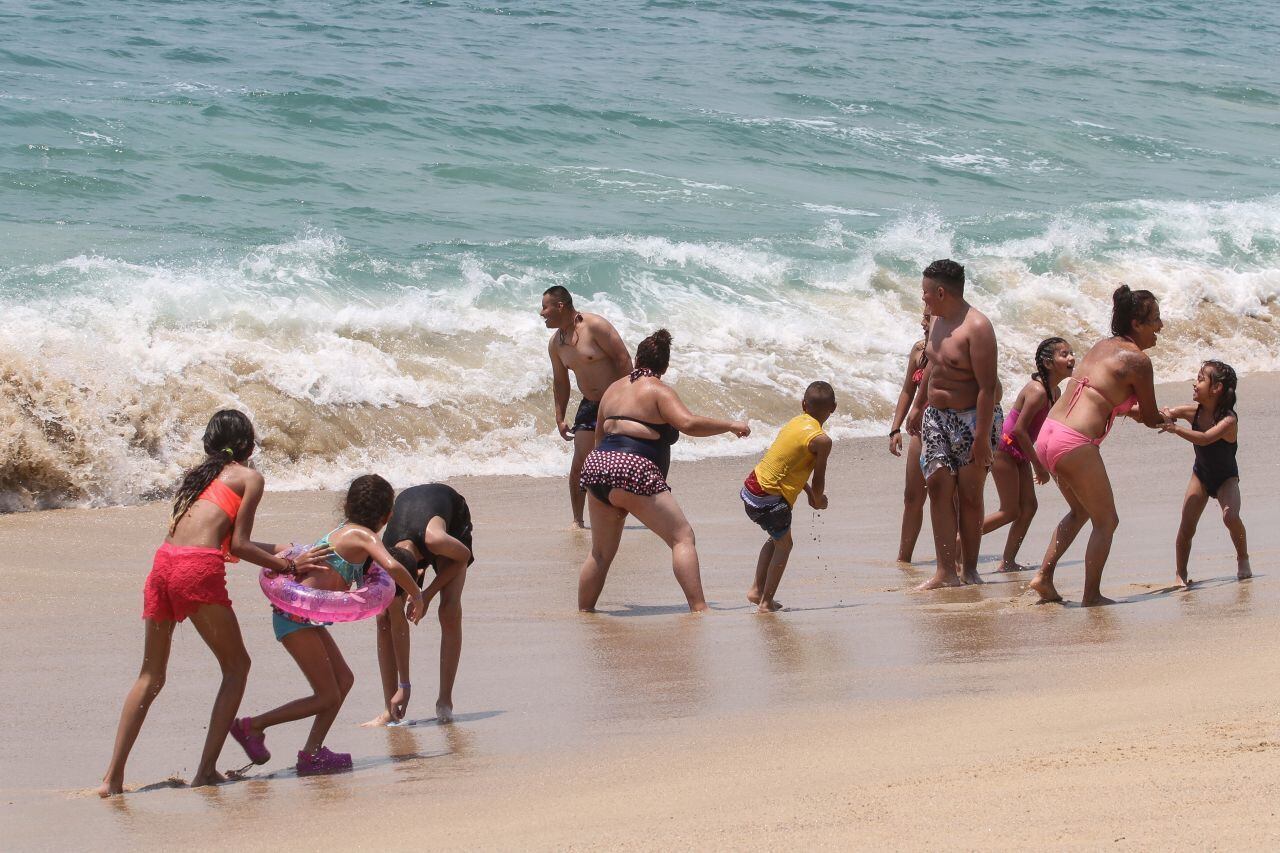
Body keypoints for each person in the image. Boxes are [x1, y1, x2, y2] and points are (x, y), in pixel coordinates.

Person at [99, 410, 331, 797]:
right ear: (250, 446)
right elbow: (237, 545)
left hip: (163, 565)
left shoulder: (197, 478)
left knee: (150, 676)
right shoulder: (250, 477)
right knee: (237, 666)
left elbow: (216, 537)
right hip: (196, 572)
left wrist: (278, 549)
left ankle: (112, 779)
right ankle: (205, 771)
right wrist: (289, 565)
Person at [229, 475, 425, 775]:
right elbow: (394, 565)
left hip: (304, 619)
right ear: (387, 516)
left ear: (347, 505)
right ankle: (252, 726)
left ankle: (312, 753)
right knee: (326, 695)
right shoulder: (362, 536)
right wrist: (417, 594)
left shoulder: (344, 533)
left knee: (344, 680)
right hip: (293, 618)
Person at [577, 329, 750, 613]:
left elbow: (598, 438)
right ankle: (699, 608)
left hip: (597, 468)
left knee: (600, 553)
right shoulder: (658, 390)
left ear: (636, 359)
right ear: (665, 366)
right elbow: (689, 423)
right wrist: (730, 425)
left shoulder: (612, 389)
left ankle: (585, 613)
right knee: (682, 538)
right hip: (633, 469)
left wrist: (604, 475)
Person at [1029, 286, 1170, 606]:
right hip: (1075, 443)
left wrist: (1137, 414)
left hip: (1049, 433)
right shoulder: (1138, 360)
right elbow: (1150, 417)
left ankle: (1044, 577)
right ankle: (1091, 595)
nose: (1160, 327)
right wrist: (1167, 418)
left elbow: (1100, 398)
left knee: (1079, 511)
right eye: (1156, 320)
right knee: (1106, 520)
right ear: (1136, 323)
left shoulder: (1102, 346)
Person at [905, 259, 1000, 589]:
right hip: (936, 417)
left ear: (941, 292)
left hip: (972, 419)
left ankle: (969, 569)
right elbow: (933, 363)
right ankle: (945, 571)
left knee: (970, 496)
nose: (923, 299)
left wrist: (981, 438)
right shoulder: (937, 322)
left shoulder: (978, 328)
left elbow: (988, 387)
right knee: (938, 488)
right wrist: (917, 405)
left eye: (926, 293)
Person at [365, 483, 474, 726]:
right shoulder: (382, 551)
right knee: (384, 618)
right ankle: (389, 708)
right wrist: (405, 685)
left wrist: (426, 594)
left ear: (420, 571)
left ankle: (445, 702)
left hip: (452, 522)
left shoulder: (436, 540)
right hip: (411, 518)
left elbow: (463, 557)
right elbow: (398, 625)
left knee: (448, 611)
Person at [978, 338, 1075, 572]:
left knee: (1029, 507)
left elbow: (1044, 428)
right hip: (1004, 449)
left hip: (1020, 451)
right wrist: (1039, 467)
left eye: (1071, 352)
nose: (1071, 357)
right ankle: (959, 543)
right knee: (1009, 510)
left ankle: (1008, 562)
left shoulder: (1055, 390)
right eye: (1064, 354)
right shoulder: (1038, 391)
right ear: (1048, 363)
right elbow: (1020, 430)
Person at [542, 286, 633, 528]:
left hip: (617, 400)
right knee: (580, 461)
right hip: (590, 405)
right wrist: (559, 417)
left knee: (619, 461)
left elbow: (623, 358)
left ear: (560, 306)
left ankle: (626, 511)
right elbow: (560, 383)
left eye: (545, 307)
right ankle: (577, 521)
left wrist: (629, 397)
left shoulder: (595, 326)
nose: (542, 313)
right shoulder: (556, 344)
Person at [743, 382, 836, 612]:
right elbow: (818, 479)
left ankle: (756, 590)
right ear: (833, 407)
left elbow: (787, 465)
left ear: (803, 404)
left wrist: (808, 494)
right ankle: (765, 602)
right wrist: (817, 499)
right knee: (785, 545)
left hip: (751, 488)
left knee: (776, 539)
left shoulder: (795, 423)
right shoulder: (822, 440)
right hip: (770, 499)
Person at [1159, 360, 1249, 587]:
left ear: (1216, 389)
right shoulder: (1193, 412)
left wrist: (1176, 428)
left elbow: (1207, 438)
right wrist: (1130, 410)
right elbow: (1164, 413)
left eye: (1200, 379)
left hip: (1226, 478)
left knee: (1230, 516)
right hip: (1200, 476)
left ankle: (1242, 557)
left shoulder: (1229, 419)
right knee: (1186, 525)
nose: (1195, 383)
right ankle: (1181, 573)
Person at [889, 312, 930, 563]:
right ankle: (904, 559)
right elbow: (908, 389)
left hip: (950, 429)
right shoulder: (919, 350)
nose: (922, 322)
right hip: (921, 429)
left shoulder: (953, 348)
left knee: (951, 498)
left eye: (928, 317)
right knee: (912, 496)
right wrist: (895, 429)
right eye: (923, 317)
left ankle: (958, 559)